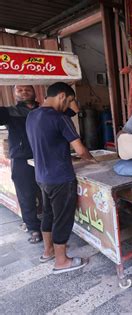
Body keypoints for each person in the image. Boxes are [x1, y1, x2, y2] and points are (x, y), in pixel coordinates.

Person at [26, 82, 94, 274]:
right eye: (70, 100)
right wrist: (93, 161)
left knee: (48, 214)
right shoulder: (60, 118)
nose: (69, 106)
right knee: (63, 219)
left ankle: (48, 252)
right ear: (62, 96)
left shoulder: (32, 115)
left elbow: (47, 144)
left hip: (42, 176)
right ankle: (62, 261)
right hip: (61, 178)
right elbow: (80, 150)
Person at [0, 85, 42, 243]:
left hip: (44, 158)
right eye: (20, 90)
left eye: (27, 89)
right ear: (14, 94)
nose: (24, 92)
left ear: (35, 91)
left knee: (49, 192)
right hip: (21, 159)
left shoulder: (44, 109)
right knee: (26, 195)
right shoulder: (8, 112)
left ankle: (50, 225)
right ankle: (33, 228)